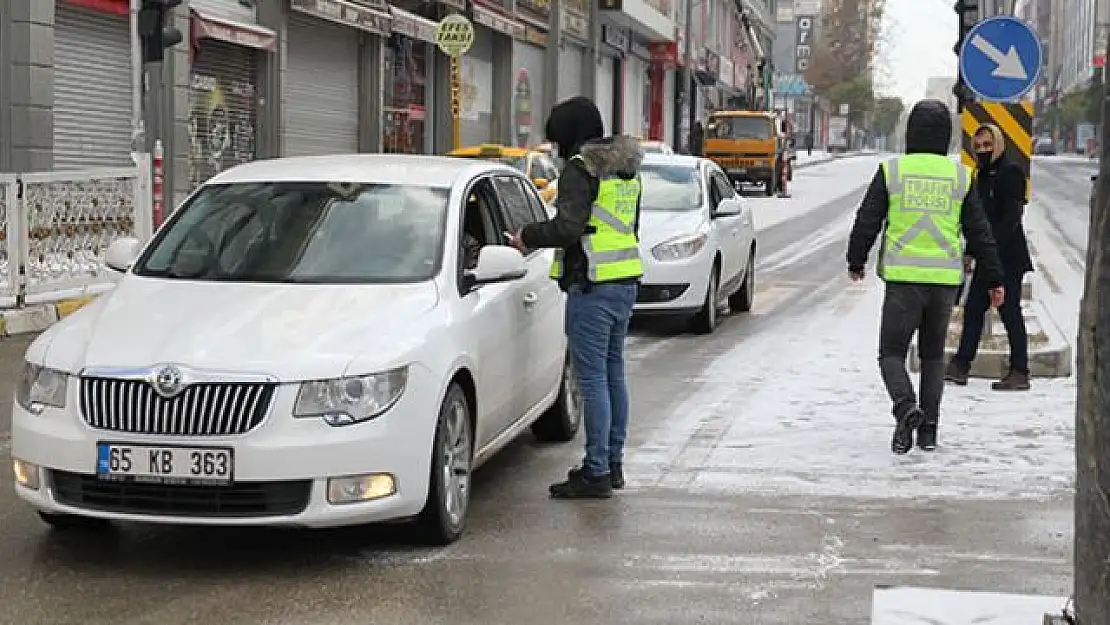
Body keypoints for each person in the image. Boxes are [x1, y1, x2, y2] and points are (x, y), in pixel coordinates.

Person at [846, 99, 1006, 455]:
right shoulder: (960, 176)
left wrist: (856, 259)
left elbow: (867, 220)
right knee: (933, 357)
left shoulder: (893, 172)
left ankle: (905, 409)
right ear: (947, 136)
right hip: (945, 284)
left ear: (910, 132)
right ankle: (928, 431)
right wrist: (995, 279)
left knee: (891, 353)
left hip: (904, 282)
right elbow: (980, 232)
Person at [507, 96, 644, 499]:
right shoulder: (626, 170)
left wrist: (526, 237)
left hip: (593, 285)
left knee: (593, 380)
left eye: (555, 139)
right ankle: (613, 462)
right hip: (625, 282)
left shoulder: (579, 171)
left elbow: (569, 228)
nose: (553, 148)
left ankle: (596, 470)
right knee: (613, 374)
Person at [945, 123, 1034, 391]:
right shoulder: (980, 175)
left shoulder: (1011, 172)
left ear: (998, 144)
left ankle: (1020, 371)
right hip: (987, 257)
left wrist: (990, 249)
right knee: (973, 311)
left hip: (1008, 258)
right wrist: (972, 251)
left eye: (988, 145)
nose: (983, 150)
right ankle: (960, 366)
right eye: (979, 146)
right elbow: (977, 220)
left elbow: (1012, 217)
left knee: (1009, 313)